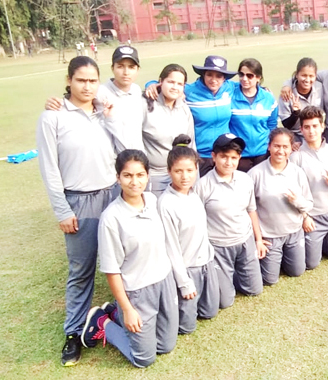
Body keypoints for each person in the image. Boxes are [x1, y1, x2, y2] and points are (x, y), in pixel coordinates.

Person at [36, 56, 118, 366]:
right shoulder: (52, 117)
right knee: (81, 269)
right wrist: (62, 210)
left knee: (121, 261)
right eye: (81, 80)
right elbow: (49, 168)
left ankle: (121, 316)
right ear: (69, 80)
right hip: (79, 202)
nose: (86, 86)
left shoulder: (103, 113)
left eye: (92, 80)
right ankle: (73, 333)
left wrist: (109, 114)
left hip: (112, 195)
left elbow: (125, 149)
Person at [82, 149, 178, 368]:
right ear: (118, 178)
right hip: (137, 291)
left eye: (140, 175)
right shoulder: (111, 218)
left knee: (165, 346)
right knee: (144, 358)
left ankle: (115, 312)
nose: (135, 182)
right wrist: (128, 309)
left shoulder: (154, 201)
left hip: (164, 283)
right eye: (127, 175)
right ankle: (103, 321)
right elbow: (111, 270)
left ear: (147, 176)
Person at [157, 135, 220, 334]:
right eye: (178, 171)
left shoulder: (194, 194)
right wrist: (184, 283)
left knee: (210, 312)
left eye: (190, 171)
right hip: (186, 269)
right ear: (169, 172)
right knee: (186, 328)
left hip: (206, 263)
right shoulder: (166, 204)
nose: (185, 177)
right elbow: (171, 249)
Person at [194, 133, 267, 308]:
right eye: (224, 157)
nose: (229, 162)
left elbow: (251, 210)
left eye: (234, 158)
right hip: (219, 246)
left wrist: (258, 240)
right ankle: (221, 275)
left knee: (255, 290)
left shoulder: (245, 179)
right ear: (214, 156)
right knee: (224, 302)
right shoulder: (202, 186)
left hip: (244, 241)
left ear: (239, 158)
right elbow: (197, 222)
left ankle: (232, 273)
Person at [46, 46, 145, 154]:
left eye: (131, 67)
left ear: (137, 69)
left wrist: (153, 85)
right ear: (112, 68)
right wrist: (55, 102)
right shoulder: (99, 92)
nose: (126, 72)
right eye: (120, 66)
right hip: (115, 160)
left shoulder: (136, 90)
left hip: (139, 158)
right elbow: (76, 100)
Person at [248, 129, 313, 285]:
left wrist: (301, 208)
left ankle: (284, 257)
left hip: (294, 232)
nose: (281, 151)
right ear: (269, 146)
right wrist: (258, 239)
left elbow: (309, 203)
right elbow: (250, 209)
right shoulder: (255, 174)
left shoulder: (297, 172)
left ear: (291, 149)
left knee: (297, 271)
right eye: (277, 146)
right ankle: (273, 257)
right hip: (269, 235)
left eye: (285, 147)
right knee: (270, 280)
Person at [290, 106, 328, 268]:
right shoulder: (295, 157)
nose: (311, 131)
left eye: (315, 126)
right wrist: (305, 216)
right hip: (313, 217)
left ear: (322, 127)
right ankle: (316, 242)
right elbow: (293, 194)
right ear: (301, 129)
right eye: (307, 127)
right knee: (311, 264)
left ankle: (326, 240)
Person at [142, 64, 195, 196]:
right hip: (154, 177)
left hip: (180, 177)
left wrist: (193, 178)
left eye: (179, 84)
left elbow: (191, 146)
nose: (174, 87)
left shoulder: (184, 108)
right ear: (160, 82)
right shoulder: (145, 105)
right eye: (170, 82)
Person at [229, 58, 278, 172]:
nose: (244, 79)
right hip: (239, 154)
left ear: (258, 77)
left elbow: (272, 125)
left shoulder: (268, 98)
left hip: (262, 154)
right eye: (241, 74)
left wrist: (268, 146)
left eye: (249, 76)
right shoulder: (231, 95)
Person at [278, 57, 323, 147]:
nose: (307, 80)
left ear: (315, 76)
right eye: (304, 75)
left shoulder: (320, 87)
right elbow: (287, 125)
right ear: (297, 75)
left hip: (315, 133)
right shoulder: (287, 93)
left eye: (311, 76)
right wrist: (296, 113)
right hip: (295, 137)